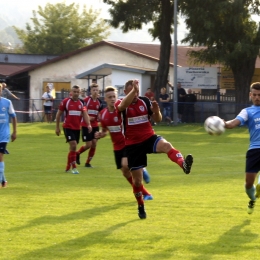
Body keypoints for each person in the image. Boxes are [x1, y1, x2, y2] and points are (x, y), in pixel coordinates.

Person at [116, 79, 193, 219]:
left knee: (166, 145)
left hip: (148, 137)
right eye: (133, 91)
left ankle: (184, 164)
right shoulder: (121, 103)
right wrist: (133, 91)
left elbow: (157, 120)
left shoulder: (144, 101)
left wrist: (157, 111)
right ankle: (140, 205)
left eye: (137, 91)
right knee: (138, 181)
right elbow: (122, 106)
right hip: (133, 145)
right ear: (126, 92)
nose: (136, 94)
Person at [95, 86, 152, 200]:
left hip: (128, 143)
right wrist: (101, 134)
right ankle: (146, 193)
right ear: (105, 99)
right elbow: (105, 130)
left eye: (114, 96)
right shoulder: (103, 114)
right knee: (125, 173)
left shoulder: (122, 109)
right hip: (116, 147)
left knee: (126, 165)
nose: (112, 99)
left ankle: (141, 168)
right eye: (109, 97)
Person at [224, 82, 260, 214]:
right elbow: (233, 123)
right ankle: (253, 199)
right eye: (254, 95)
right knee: (249, 184)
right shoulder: (247, 111)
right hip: (254, 150)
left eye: (259, 95)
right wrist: (223, 124)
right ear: (250, 95)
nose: (257, 97)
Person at [55, 85, 92, 174]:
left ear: (79, 93)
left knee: (73, 148)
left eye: (77, 92)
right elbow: (58, 114)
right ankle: (74, 167)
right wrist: (57, 127)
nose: (75, 93)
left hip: (77, 128)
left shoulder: (82, 103)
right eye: (74, 92)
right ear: (71, 93)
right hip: (67, 127)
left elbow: (85, 114)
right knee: (74, 144)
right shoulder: (65, 102)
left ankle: (68, 166)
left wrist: (89, 125)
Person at [76, 83, 103, 168]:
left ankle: (88, 163)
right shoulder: (86, 100)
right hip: (86, 125)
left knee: (94, 143)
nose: (95, 91)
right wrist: (87, 117)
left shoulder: (100, 102)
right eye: (93, 90)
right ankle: (77, 153)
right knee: (88, 145)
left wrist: (99, 117)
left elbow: (100, 113)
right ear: (90, 91)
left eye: (96, 90)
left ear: (98, 91)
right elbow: (83, 111)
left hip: (95, 125)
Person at [0, 83, 17, 188]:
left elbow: (13, 117)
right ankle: (3, 180)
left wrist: (14, 132)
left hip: (4, 134)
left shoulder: (7, 102)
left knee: (0, 156)